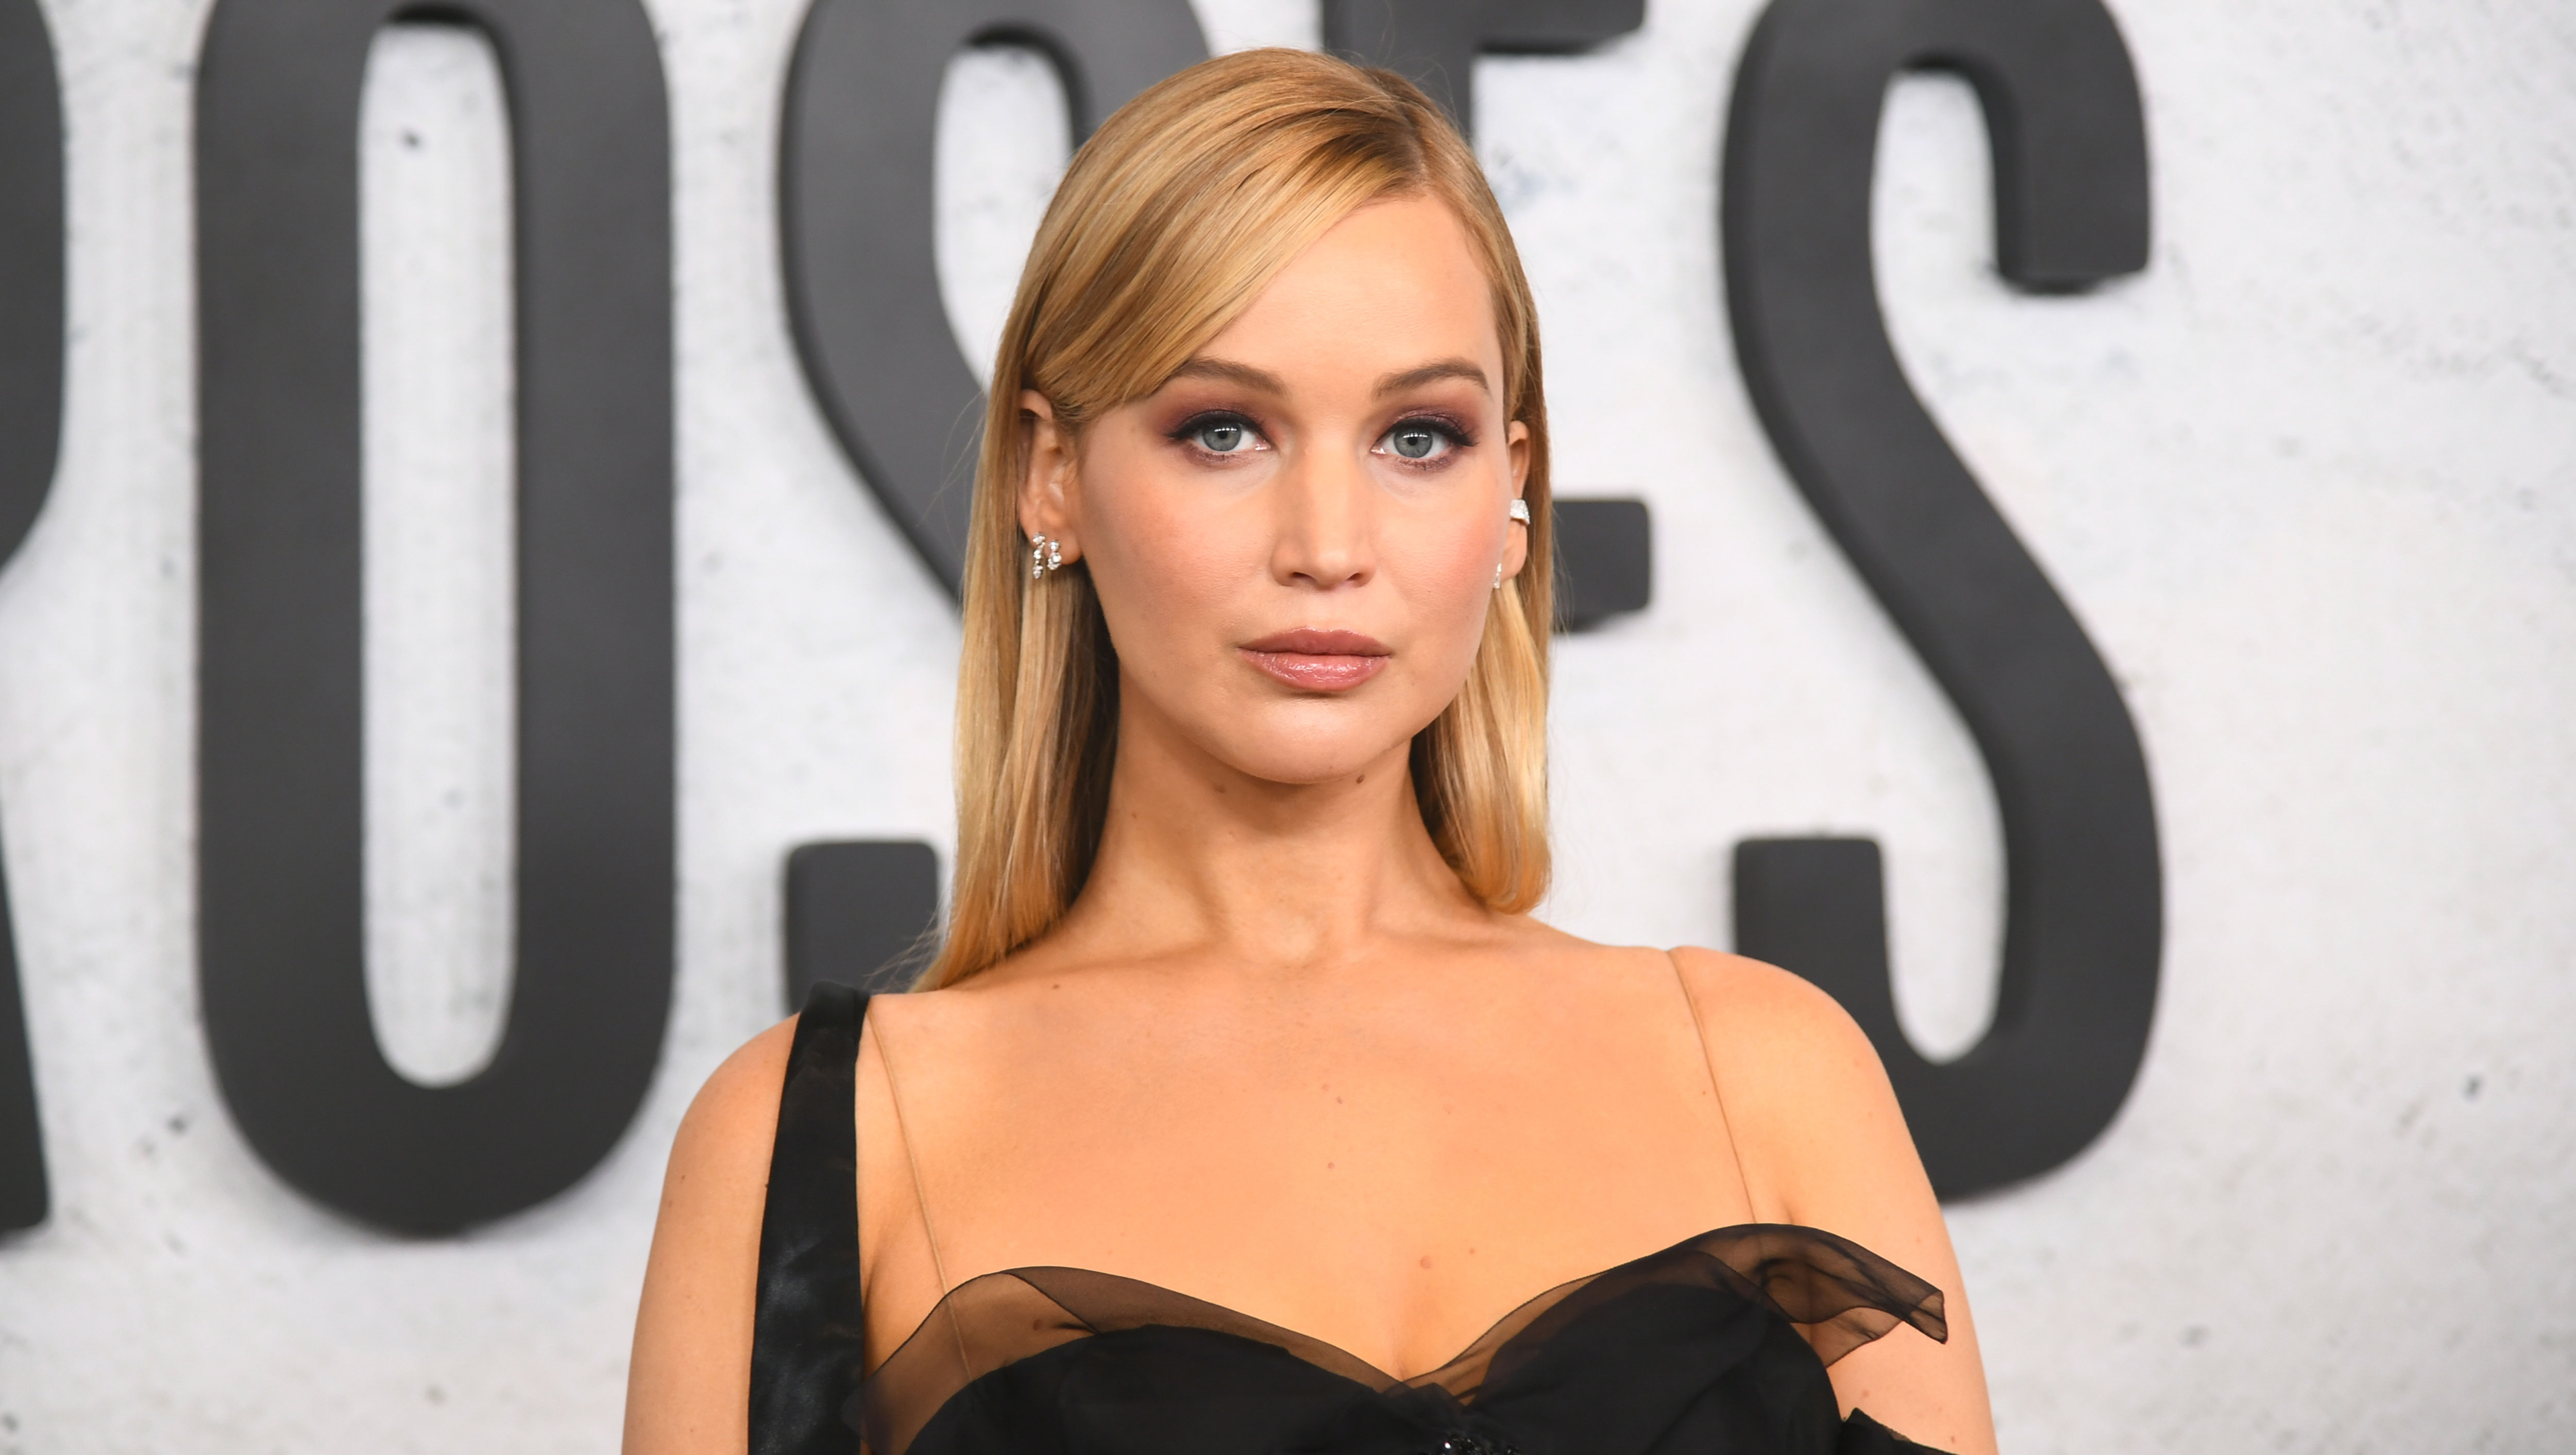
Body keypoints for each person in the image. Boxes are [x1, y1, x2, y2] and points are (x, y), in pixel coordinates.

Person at [625, 47, 1996, 1455]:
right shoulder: (822, 1139)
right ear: (1052, 472)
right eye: (1223, 430)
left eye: (1419, 436)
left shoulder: (1765, 1073)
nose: (1329, 548)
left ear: (1511, 488)